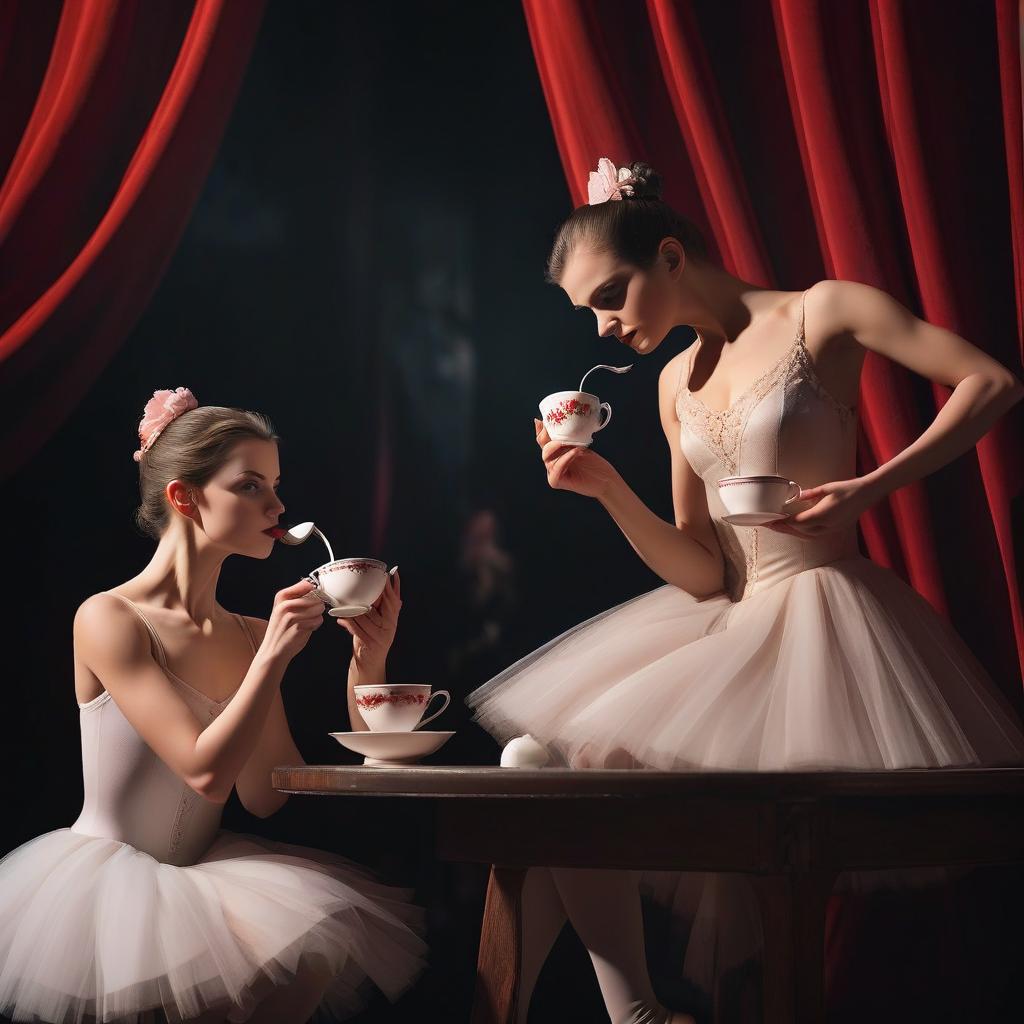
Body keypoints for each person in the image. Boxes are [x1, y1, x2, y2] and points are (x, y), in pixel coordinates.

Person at [465, 158, 1024, 1023]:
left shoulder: (822, 309)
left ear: (672, 256)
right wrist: (607, 487)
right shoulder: (668, 385)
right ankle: (636, 1014)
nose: (606, 326)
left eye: (613, 296)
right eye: (591, 314)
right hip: (734, 624)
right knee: (535, 767)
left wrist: (873, 485)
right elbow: (703, 572)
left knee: (765, 851)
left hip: (827, 621)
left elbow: (992, 382)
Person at [0, 389, 427, 1023]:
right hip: (105, 901)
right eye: (252, 486)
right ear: (185, 497)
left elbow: (265, 793)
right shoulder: (109, 618)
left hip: (206, 881)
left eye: (277, 485)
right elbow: (202, 772)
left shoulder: (252, 634)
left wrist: (367, 659)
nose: (279, 507)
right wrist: (273, 658)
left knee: (314, 950)